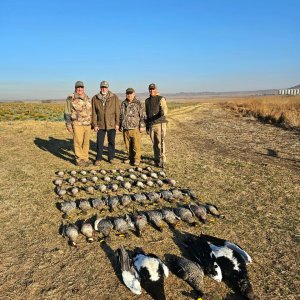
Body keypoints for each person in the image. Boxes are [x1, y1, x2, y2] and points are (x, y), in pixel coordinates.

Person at [91, 80, 120, 165]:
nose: (104, 89)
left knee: (111, 142)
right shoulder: (95, 98)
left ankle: (111, 158)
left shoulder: (114, 97)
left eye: (105, 87)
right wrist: (95, 124)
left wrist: (117, 123)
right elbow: (94, 113)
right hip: (100, 124)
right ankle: (98, 158)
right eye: (102, 87)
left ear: (108, 88)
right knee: (99, 142)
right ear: (100, 88)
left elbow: (117, 111)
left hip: (112, 124)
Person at [64, 80, 92, 167]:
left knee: (86, 142)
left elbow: (91, 111)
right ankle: (79, 159)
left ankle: (85, 158)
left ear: (83, 88)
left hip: (87, 124)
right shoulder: (70, 98)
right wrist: (68, 124)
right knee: (78, 142)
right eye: (78, 87)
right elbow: (67, 112)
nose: (79, 89)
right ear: (75, 88)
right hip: (77, 124)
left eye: (81, 87)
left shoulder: (87, 97)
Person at [119, 88, 145, 166]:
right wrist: (120, 125)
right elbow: (121, 115)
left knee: (136, 145)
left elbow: (142, 116)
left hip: (135, 128)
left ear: (134, 94)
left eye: (131, 93)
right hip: (126, 128)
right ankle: (130, 157)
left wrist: (142, 126)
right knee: (127, 145)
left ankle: (137, 159)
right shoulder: (123, 103)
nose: (129, 95)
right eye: (128, 94)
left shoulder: (138, 103)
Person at [145, 83, 168, 167]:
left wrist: (163, 112)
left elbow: (165, 108)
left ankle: (162, 159)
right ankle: (156, 158)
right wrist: (147, 125)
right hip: (151, 124)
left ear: (156, 89)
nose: (152, 90)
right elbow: (147, 113)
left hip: (160, 124)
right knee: (154, 143)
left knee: (160, 142)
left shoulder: (161, 98)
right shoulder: (147, 100)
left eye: (153, 89)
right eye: (150, 89)